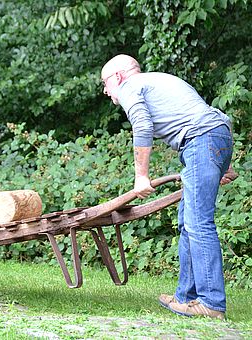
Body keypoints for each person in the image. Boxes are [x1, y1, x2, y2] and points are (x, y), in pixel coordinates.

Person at [101, 54, 237, 320]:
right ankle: (185, 297)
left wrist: (141, 176)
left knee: (198, 223)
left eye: (105, 82)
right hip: (213, 136)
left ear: (117, 76)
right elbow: (216, 118)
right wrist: (223, 163)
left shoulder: (131, 86)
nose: (106, 90)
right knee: (188, 221)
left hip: (200, 141)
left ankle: (211, 303)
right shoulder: (159, 80)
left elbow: (142, 125)